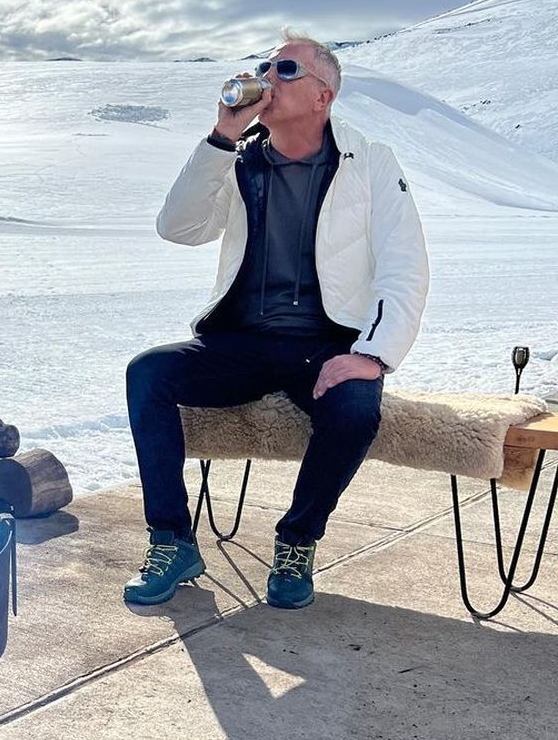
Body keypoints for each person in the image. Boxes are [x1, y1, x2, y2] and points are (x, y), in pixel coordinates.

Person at [125, 30, 429, 609]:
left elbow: (404, 265)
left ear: (324, 96)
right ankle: (171, 540)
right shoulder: (241, 161)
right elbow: (179, 228)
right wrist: (221, 138)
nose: (268, 77)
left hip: (325, 344)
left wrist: (371, 354)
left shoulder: (368, 162)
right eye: (265, 66)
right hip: (240, 340)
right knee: (149, 374)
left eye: (286, 69)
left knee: (356, 411)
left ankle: (296, 541)